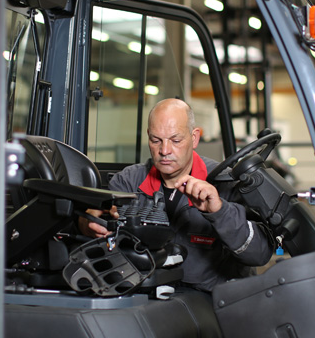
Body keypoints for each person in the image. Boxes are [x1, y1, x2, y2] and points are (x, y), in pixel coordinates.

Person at [79, 98, 275, 292]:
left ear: (194, 137)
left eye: (175, 140)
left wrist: (220, 211)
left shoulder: (225, 183)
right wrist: (88, 223)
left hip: (211, 300)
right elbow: (93, 224)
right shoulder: (128, 182)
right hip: (148, 296)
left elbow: (259, 254)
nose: (164, 150)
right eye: (156, 140)